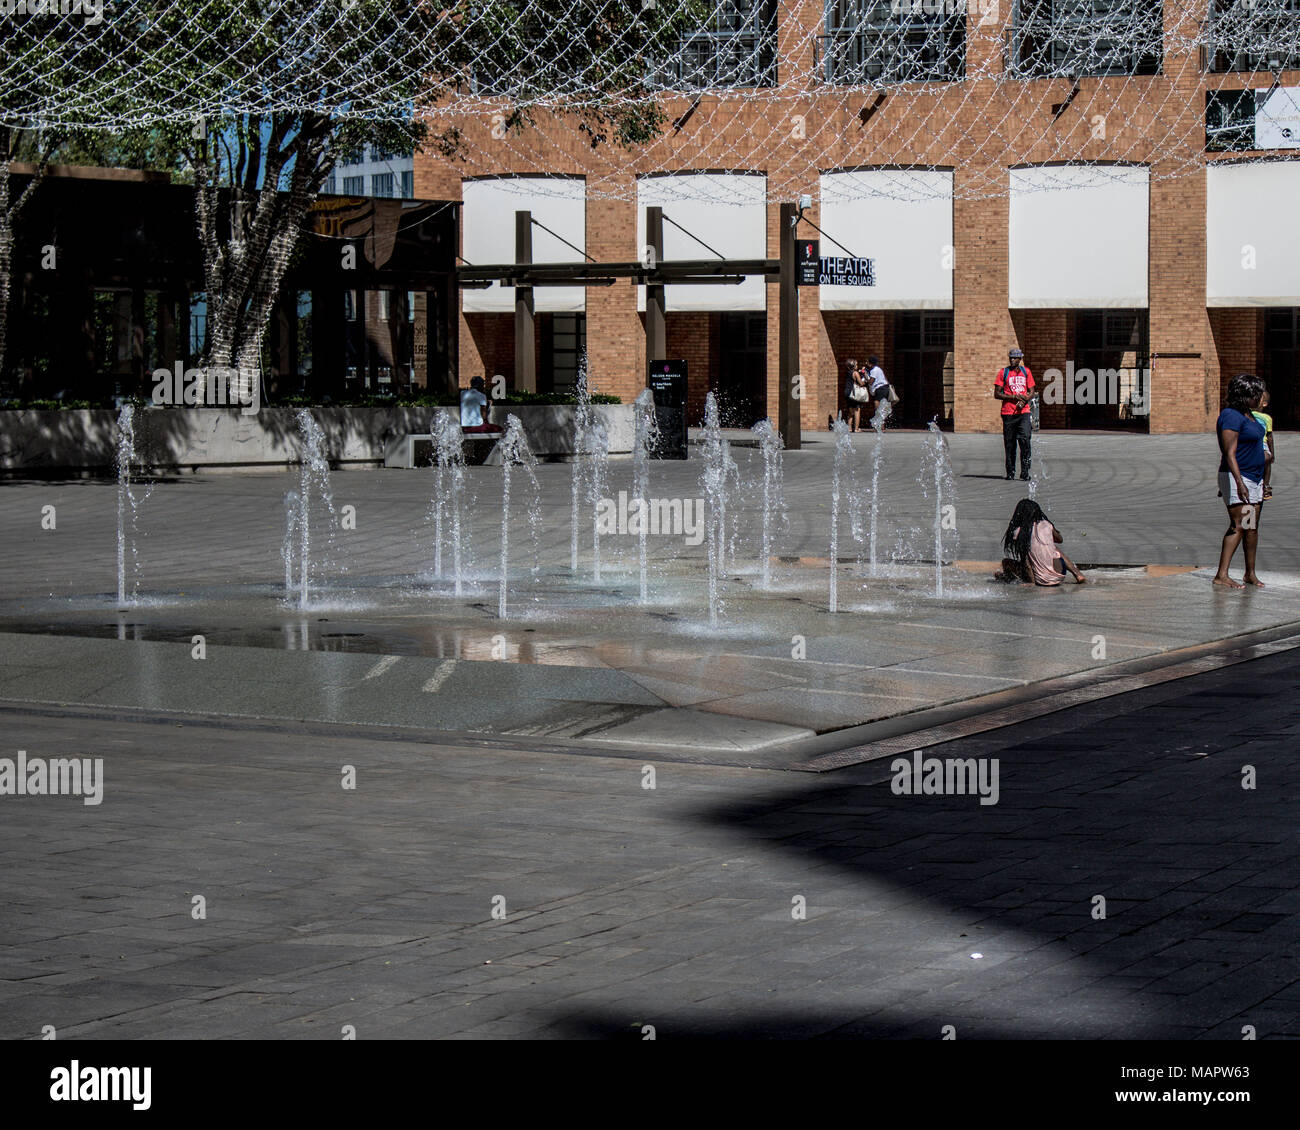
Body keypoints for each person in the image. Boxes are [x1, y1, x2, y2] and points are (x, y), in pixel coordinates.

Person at [1213, 372, 1269, 589]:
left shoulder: (1248, 414)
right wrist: (1239, 483)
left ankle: (1250, 573)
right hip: (1239, 476)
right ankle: (1221, 574)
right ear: (1245, 395)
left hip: (1254, 477)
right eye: (1256, 394)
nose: (1260, 398)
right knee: (1239, 525)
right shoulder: (1231, 416)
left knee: (1251, 526)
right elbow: (1229, 453)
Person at [996, 499, 1086, 586]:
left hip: (1043, 579)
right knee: (1054, 548)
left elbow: (1026, 561)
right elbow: (1060, 539)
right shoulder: (1047, 525)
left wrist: (1031, 583)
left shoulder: (1020, 532)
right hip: (1060, 573)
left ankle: (1008, 578)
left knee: (1006, 563)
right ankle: (1077, 574)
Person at [994, 348, 1035, 481]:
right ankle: (1010, 472)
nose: (1012, 360)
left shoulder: (1026, 372)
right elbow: (997, 393)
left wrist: (1024, 401)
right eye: (1010, 357)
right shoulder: (1003, 372)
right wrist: (1013, 397)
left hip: (1023, 412)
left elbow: (1032, 391)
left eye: (1015, 358)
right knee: (1010, 444)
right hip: (1008, 413)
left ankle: (1025, 472)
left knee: (1025, 440)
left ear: (1020, 359)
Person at [1253, 388, 1275, 501]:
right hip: (1250, 443)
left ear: (1264, 403)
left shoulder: (1266, 418)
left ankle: (1266, 485)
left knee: (1267, 462)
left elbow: (1269, 436)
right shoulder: (1246, 414)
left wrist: (1272, 452)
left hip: (1262, 443)